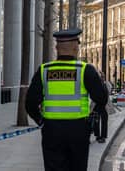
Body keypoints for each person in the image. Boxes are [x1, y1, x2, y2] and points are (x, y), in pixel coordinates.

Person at [25, 28, 108, 171]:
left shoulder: (44, 70)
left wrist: (41, 121)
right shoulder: (85, 70)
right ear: (76, 47)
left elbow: (30, 103)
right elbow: (102, 98)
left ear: (57, 48)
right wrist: (92, 117)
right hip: (79, 129)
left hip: (51, 130)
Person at [92, 71, 109, 143]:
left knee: (102, 120)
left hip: (101, 105)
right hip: (99, 104)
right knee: (97, 120)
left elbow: (106, 95)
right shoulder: (99, 85)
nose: (101, 78)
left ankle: (101, 136)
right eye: (101, 77)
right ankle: (99, 136)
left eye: (102, 77)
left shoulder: (103, 84)